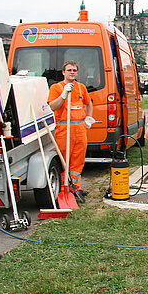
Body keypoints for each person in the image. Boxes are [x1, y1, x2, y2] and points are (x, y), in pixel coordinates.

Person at [47, 60, 94, 202]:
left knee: (78, 161)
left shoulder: (81, 88)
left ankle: (75, 188)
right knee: (64, 160)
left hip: (80, 130)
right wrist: (63, 95)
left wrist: (89, 118)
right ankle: (63, 189)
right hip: (63, 130)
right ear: (63, 72)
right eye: (69, 70)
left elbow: (88, 103)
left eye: (74, 70)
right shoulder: (56, 88)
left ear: (77, 72)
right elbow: (53, 106)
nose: (72, 72)